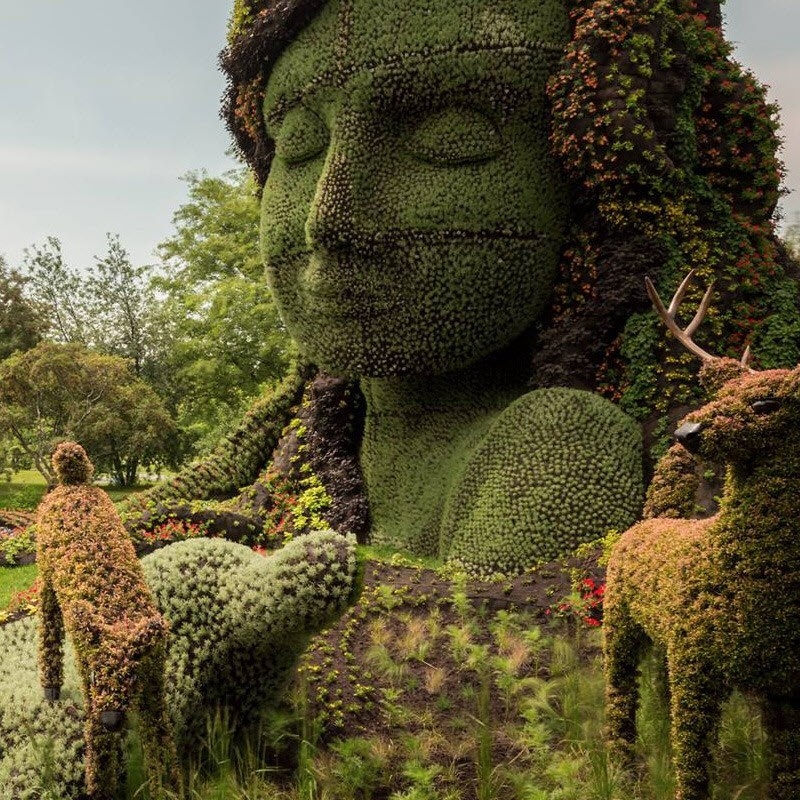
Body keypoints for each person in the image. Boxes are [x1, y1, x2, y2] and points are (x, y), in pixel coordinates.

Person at [127, 0, 799, 576]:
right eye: (300, 142)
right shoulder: (312, 444)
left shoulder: (557, 446)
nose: (328, 218)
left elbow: (485, 677)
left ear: (591, 180)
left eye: (450, 135)